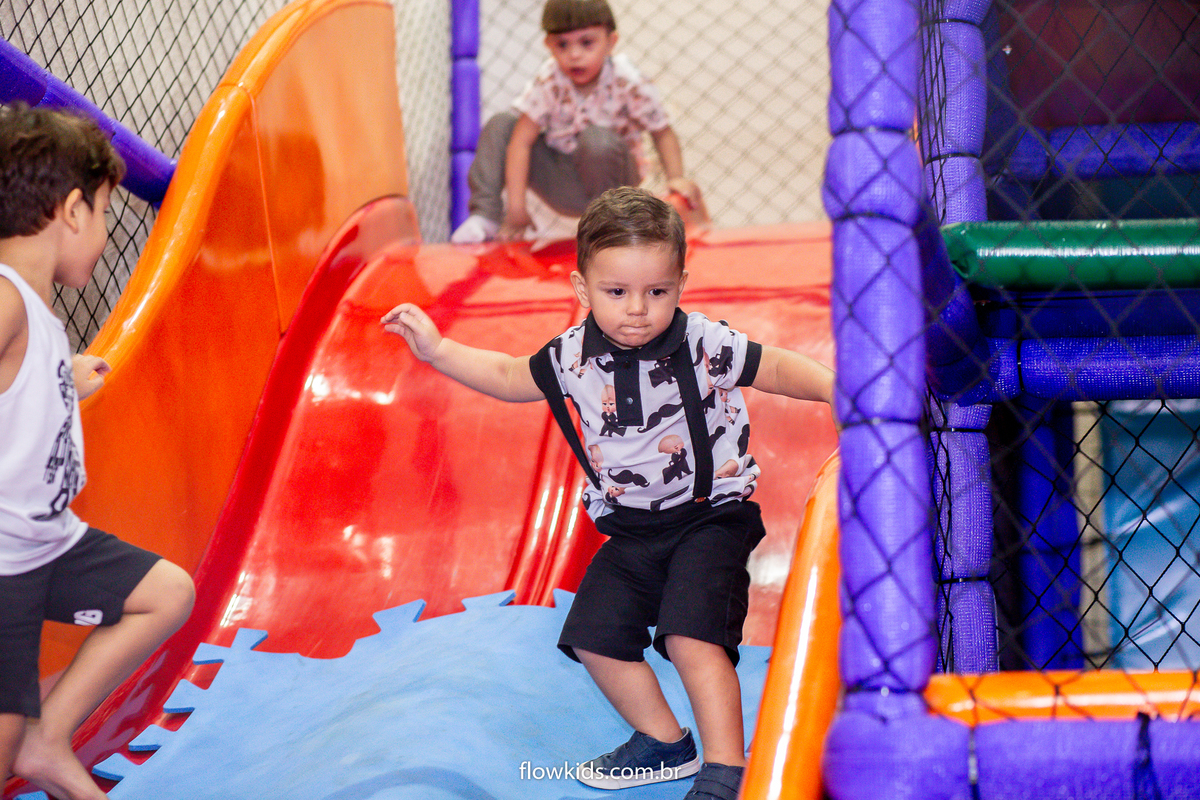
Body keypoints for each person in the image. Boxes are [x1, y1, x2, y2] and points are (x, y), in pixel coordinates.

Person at [383, 187, 835, 800]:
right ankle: (664, 742)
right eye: (616, 292)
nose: (638, 310)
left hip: (710, 517)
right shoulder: (571, 356)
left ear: (681, 284)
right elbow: (509, 376)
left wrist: (833, 389)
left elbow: (774, 366)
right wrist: (439, 350)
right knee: (594, 637)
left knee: (691, 636)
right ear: (582, 288)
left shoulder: (704, 344)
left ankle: (726, 769)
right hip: (631, 528)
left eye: (658, 292)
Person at [0, 103, 195, 800]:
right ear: (74, 210)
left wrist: (63, 380)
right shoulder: (7, 299)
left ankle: (48, 737)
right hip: (6, 561)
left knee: (167, 594)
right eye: (107, 212)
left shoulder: (37, 314)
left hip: (51, 542)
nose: (107, 234)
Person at [451, 0, 704, 244]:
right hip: (563, 179)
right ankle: (485, 217)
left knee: (596, 140)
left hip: (614, 181)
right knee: (502, 124)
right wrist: (517, 209)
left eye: (587, 43)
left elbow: (662, 132)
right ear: (549, 45)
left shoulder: (626, 79)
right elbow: (521, 142)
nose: (574, 55)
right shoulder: (549, 80)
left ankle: (610, 223)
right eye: (562, 44)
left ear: (611, 42)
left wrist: (676, 177)